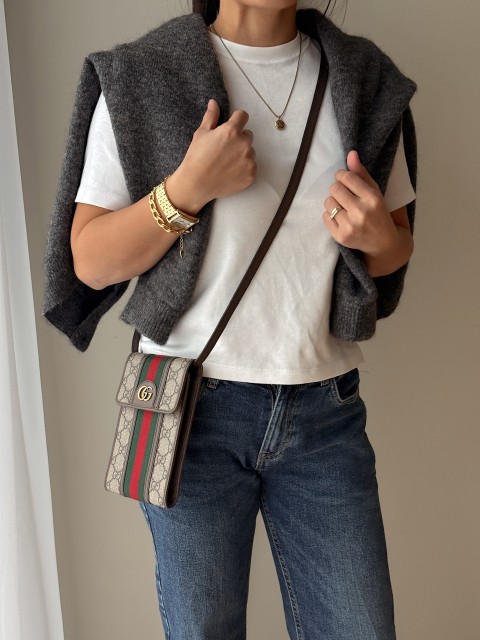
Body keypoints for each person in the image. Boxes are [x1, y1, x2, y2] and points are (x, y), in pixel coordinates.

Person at [43, 0, 417, 638]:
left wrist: (378, 237)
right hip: (189, 415)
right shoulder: (142, 75)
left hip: (325, 414)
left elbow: (395, 246)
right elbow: (91, 261)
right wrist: (184, 191)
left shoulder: (365, 78)